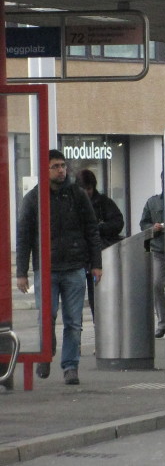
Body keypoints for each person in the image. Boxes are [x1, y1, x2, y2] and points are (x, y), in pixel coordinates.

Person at [15, 149, 102, 385]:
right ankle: (46, 352)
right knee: (47, 316)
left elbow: (91, 229)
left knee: (74, 321)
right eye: (56, 166)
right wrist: (21, 272)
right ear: (45, 169)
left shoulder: (76, 194)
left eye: (63, 165)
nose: (61, 170)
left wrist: (96, 264)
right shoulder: (34, 198)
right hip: (46, 268)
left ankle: (70, 366)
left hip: (74, 266)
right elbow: (23, 236)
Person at [77, 169, 124, 322]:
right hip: (79, 256)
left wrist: (97, 228)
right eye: (84, 189)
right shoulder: (73, 202)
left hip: (99, 255)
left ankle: (102, 326)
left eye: (89, 189)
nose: (86, 192)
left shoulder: (104, 203)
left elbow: (118, 223)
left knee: (97, 296)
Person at [140, 184, 165, 339]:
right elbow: (143, 223)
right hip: (159, 250)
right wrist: (153, 227)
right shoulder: (153, 202)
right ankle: (162, 323)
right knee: (157, 284)